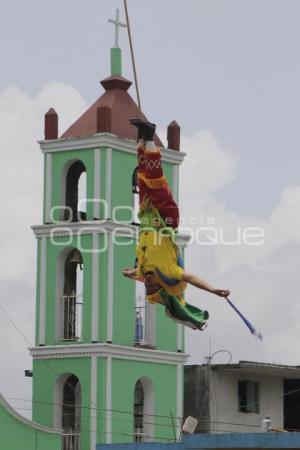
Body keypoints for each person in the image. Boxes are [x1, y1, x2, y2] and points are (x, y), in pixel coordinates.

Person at [123, 119, 230, 330]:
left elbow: (135, 272)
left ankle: (143, 137)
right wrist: (213, 290)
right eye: (154, 287)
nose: (150, 284)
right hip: (165, 217)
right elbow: (191, 277)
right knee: (154, 179)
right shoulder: (168, 272)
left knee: (143, 177)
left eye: (148, 287)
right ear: (161, 286)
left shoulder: (143, 271)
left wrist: (129, 273)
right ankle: (150, 136)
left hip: (147, 214)